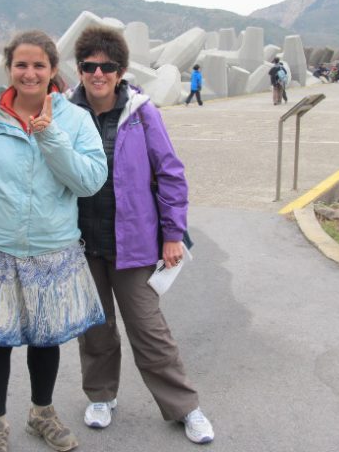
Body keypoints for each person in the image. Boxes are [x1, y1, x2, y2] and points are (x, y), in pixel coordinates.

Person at [0, 30, 107, 452]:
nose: (30, 73)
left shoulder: (75, 120)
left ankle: (41, 413)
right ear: (9, 68)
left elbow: (90, 181)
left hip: (51, 247)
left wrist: (50, 136)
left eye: (39, 65)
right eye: (21, 64)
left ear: (53, 69)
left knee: (46, 338)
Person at [69, 26, 215, 445]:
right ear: (79, 70)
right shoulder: (65, 111)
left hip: (132, 244)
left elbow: (170, 174)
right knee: (95, 329)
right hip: (81, 244)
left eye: (107, 66)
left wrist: (173, 234)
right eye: (89, 66)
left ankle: (184, 407)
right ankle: (101, 395)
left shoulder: (141, 112)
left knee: (150, 332)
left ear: (120, 71)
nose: (98, 74)